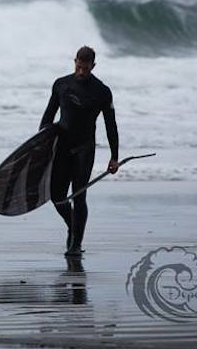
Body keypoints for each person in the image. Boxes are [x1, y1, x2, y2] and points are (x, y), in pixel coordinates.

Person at [40, 45, 119, 256]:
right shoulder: (61, 84)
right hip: (62, 146)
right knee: (57, 196)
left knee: (79, 196)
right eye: (79, 66)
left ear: (93, 66)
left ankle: (75, 244)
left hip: (85, 148)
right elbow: (48, 118)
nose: (82, 72)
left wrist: (114, 157)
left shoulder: (102, 91)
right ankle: (73, 225)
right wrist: (42, 144)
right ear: (74, 61)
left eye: (86, 68)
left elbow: (111, 125)